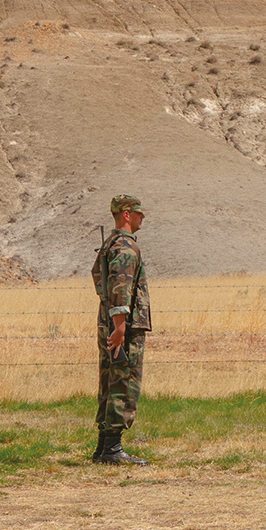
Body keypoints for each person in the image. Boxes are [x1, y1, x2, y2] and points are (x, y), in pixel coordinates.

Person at [91, 194, 152, 466]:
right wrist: (120, 327)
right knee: (122, 384)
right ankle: (112, 449)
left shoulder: (110, 245)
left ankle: (104, 448)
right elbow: (121, 287)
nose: (142, 217)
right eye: (139, 212)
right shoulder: (125, 246)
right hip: (123, 328)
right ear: (126, 214)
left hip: (111, 324)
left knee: (110, 381)